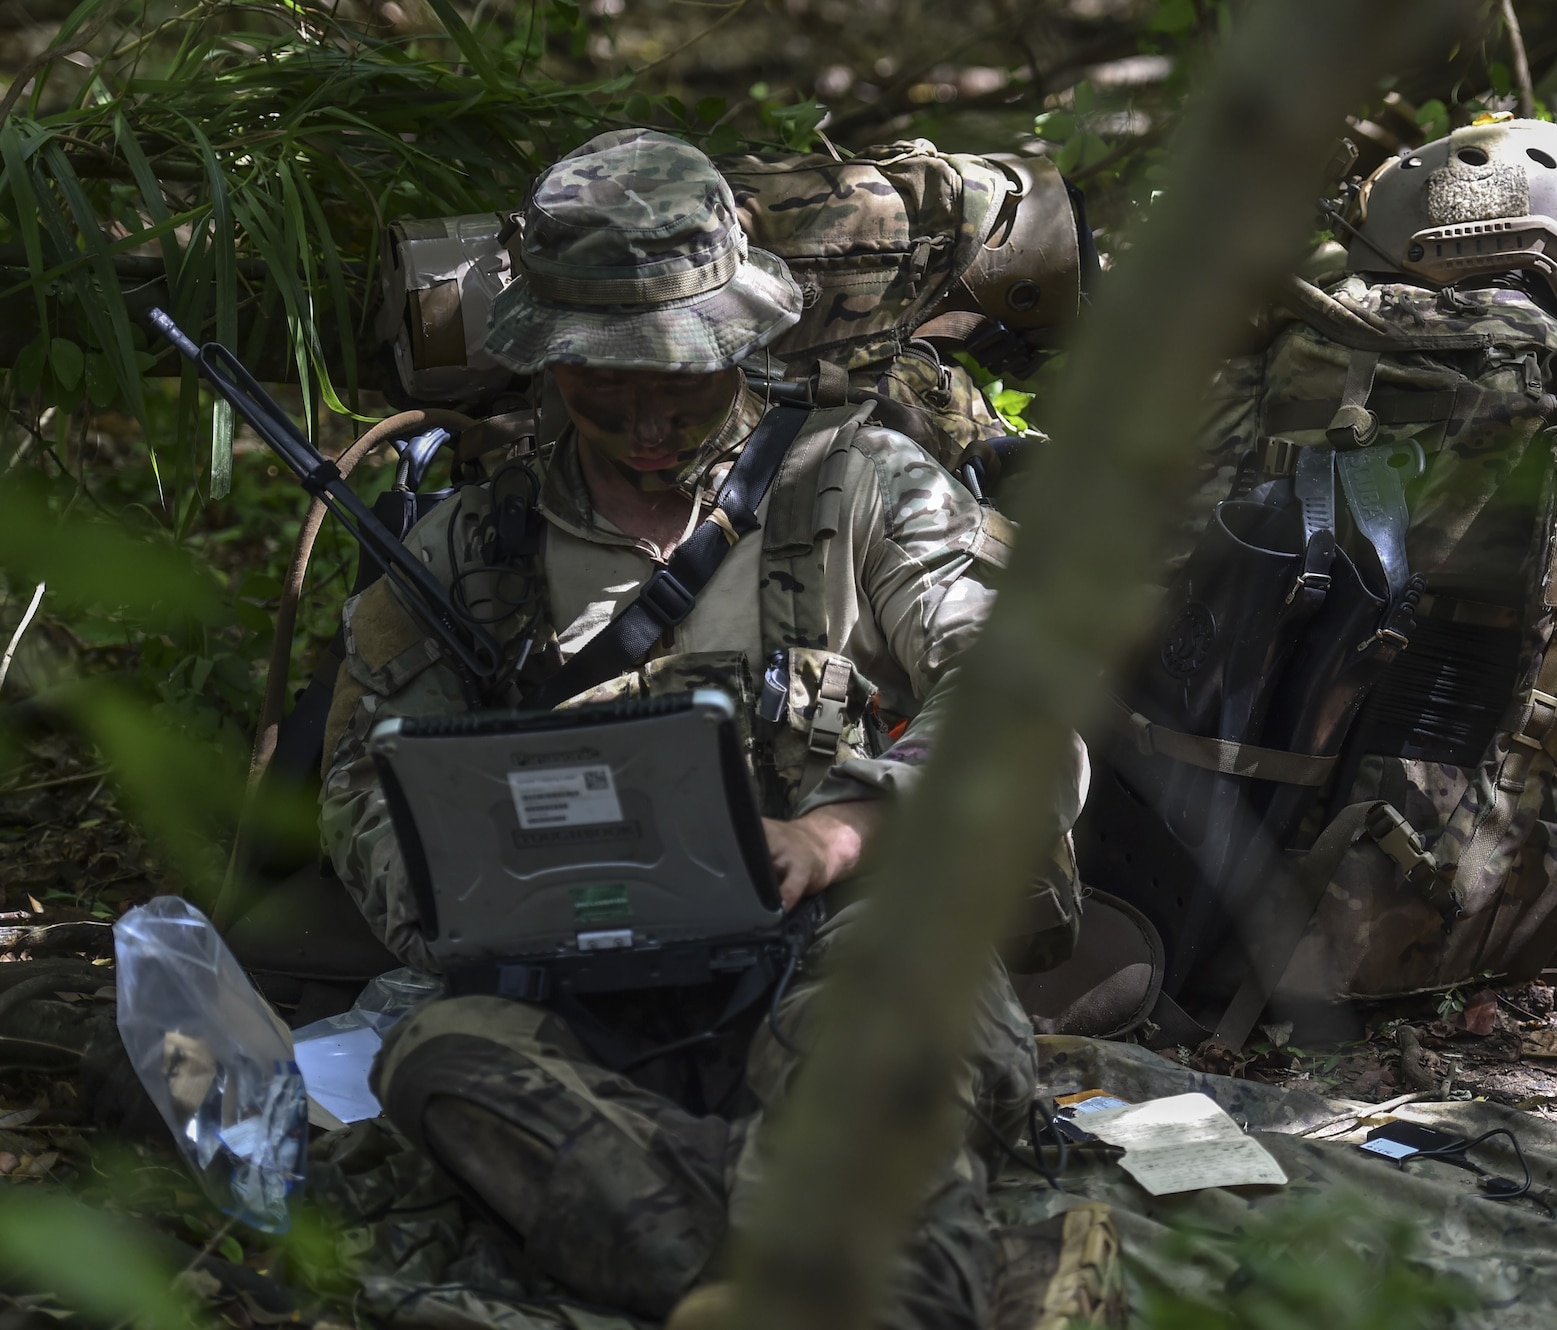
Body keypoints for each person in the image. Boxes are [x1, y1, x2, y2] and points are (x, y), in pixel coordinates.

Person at [318, 128, 1083, 1329]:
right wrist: (475, 898)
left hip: (837, 944)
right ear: (542, 362)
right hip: (567, 987)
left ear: (742, 338)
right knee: (439, 1059)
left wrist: (838, 831)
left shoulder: (858, 486)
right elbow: (365, 787)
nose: (645, 423)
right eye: (600, 385)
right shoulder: (465, 548)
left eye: (678, 380)